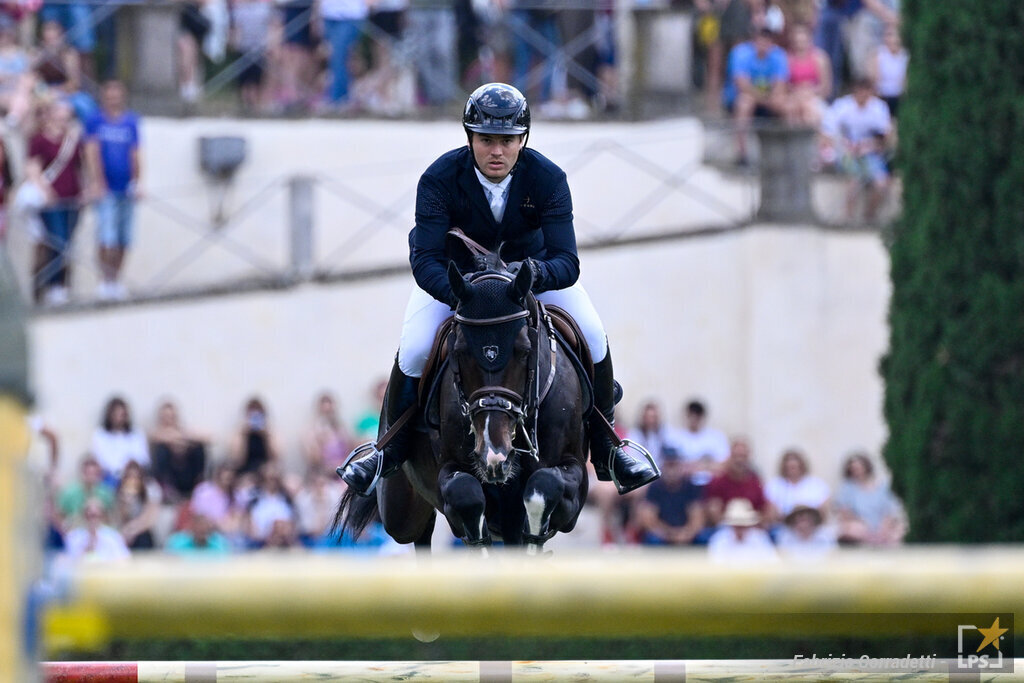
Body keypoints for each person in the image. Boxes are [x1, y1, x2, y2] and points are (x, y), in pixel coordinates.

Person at [339, 82, 659, 497]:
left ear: (522, 140)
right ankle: (387, 451)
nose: (497, 151)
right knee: (417, 345)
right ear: (470, 137)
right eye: (486, 140)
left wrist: (531, 276)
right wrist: (467, 295)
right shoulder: (438, 179)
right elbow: (425, 260)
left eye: (507, 141)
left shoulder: (547, 178)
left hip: (530, 283)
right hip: (458, 287)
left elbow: (567, 260)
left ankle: (608, 447)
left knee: (594, 335)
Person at [26, 97, 91, 305]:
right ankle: (52, 285)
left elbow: (81, 167)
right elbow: (33, 168)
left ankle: (62, 285)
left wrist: (86, 189)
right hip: (51, 201)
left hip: (72, 198)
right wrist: (45, 191)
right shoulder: (39, 139)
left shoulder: (72, 139)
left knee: (68, 243)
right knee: (57, 240)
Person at [86, 79, 141, 300]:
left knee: (124, 238)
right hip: (105, 188)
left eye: (116, 94)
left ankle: (116, 280)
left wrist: (138, 181)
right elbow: (91, 152)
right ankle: (104, 281)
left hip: (126, 187)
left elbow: (136, 153)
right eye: (109, 94)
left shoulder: (131, 122)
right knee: (106, 237)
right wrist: (97, 182)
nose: (113, 99)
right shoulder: (95, 121)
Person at [821, 77, 892, 222]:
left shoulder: (879, 108)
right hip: (847, 152)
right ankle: (848, 217)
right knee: (853, 179)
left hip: (870, 153)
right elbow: (827, 131)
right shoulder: (842, 106)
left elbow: (886, 136)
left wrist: (869, 145)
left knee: (881, 183)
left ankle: (869, 215)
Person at [723, 27, 789, 166]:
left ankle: (788, 152)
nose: (763, 45)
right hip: (744, 97)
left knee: (786, 105)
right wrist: (763, 98)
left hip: (768, 99)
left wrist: (770, 98)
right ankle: (741, 153)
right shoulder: (741, 53)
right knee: (744, 103)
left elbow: (780, 84)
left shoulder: (779, 56)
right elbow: (742, 84)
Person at [634, 449, 706, 546]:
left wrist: (686, 534)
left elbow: (697, 516)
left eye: (674, 465)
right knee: (652, 540)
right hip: (663, 534)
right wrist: (670, 535)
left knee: (704, 538)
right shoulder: (655, 487)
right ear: (662, 466)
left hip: (687, 532)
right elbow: (649, 519)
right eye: (669, 465)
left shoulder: (690, 486)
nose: (672, 470)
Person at [833, 452, 906, 546]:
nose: (857, 471)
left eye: (859, 467)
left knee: (898, 532)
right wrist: (865, 528)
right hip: (860, 527)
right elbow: (844, 514)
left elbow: (890, 511)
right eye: (853, 469)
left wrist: (883, 529)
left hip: (883, 526)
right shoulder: (847, 488)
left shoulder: (884, 486)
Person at [149, 399, 208, 505]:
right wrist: (180, 439)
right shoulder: (157, 432)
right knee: (161, 450)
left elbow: (210, 438)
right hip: (170, 475)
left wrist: (183, 440)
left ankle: (198, 487)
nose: (168, 419)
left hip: (186, 470)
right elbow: (156, 437)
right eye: (165, 416)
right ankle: (167, 490)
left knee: (199, 448)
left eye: (171, 416)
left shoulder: (183, 431)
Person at [702, 438, 768, 527]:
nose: (739, 460)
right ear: (730, 457)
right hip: (725, 528)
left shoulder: (755, 483)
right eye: (736, 456)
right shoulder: (717, 482)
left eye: (743, 456)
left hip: (751, 528)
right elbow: (712, 509)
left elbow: (764, 508)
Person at [669, 399, 730, 489]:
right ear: (687, 416)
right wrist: (706, 464)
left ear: (702, 417)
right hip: (685, 486)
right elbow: (674, 467)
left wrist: (693, 466)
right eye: (691, 415)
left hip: (712, 484)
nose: (694, 419)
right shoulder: (676, 438)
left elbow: (724, 465)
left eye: (697, 416)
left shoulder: (716, 437)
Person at [90, 395, 150, 484]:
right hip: (108, 477)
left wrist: (130, 468)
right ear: (109, 415)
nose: (118, 418)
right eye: (115, 414)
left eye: (121, 415)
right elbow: (98, 460)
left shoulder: (136, 434)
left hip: (133, 476)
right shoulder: (100, 435)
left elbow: (143, 458)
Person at [763, 448, 830, 524]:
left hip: (813, 527)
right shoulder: (775, 485)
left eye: (795, 467)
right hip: (785, 527)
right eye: (790, 467)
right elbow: (772, 512)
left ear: (802, 466)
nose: (792, 469)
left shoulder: (817, 484)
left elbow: (823, 511)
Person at [784, 23, 830, 126]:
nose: (800, 44)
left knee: (810, 110)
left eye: (803, 41)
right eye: (798, 41)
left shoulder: (820, 58)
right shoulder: (788, 59)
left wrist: (810, 91)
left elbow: (826, 88)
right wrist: (799, 92)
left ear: (809, 40)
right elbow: (785, 85)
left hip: (814, 96)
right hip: (794, 96)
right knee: (791, 108)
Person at [707, 497, 777, 564]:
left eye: (743, 525)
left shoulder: (760, 538)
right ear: (732, 525)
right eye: (737, 525)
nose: (740, 528)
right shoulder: (719, 539)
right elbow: (715, 564)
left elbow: (771, 562)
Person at [62, 497, 131, 562]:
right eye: (89, 516)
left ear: (103, 515)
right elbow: (69, 562)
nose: (93, 520)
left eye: (95, 516)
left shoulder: (113, 537)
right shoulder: (73, 537)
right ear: (84, 515)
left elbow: (123, 559)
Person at [112, 459, 161, 550]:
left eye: (136, 477)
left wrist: (132, 531)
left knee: (142, 538)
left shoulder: (150, 488)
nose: (133, 480)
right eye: (129, 477)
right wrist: (126, 503)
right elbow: (121, 519)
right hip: (125, 530)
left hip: (142, 531)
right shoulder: (121, 491)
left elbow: (149, 519)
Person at [302, 391, 353, 475]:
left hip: (345, 469)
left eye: (329, 411)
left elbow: (350, 449)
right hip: (324, 473)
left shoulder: (342, 427)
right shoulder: (311, 431)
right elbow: (313, 458)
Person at [229, 396, 281, 476]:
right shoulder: (240, 433)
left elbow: (275, 460)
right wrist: (244, 436)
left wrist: (266, 436)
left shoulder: (270, 432)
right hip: (246, 471)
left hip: (266, 472)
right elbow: (238, 461)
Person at [867, 24, 907, 120]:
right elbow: (873, 79)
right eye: (889, 35)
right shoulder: (877, 55)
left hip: (901, 96)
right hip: (883, 96)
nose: (892, 39)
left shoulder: (905, 55)